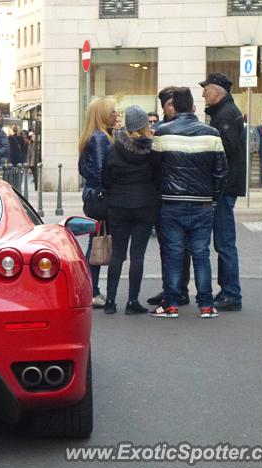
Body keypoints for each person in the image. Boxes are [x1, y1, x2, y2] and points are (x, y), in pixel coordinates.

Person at [150, 87, 228, 318]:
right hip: (202, 203)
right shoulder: (212, 133)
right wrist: (213, 199)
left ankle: (171, 304)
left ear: (175, 107)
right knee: (201, 254)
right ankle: (206, 305)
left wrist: (161, 193)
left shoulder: (163, 132)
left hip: (171, 203)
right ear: (193, 107)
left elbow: (154, 169)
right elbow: (222, 172)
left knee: (174, 254)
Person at [101, 106, 159, 315]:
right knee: (137, 255)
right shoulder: (151, 150)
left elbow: (105, 179)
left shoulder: (113, 149)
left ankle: (110, 301)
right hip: (145, 205)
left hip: (118, 205)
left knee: (117, 254)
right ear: (144, 126)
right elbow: (158, 177)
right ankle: (132, 301)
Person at [201, 72, 245, 311]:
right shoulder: (225, 112)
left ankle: (231, 293)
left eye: (206, 89)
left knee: (224, 242)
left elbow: (225, 149)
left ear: (217, 91)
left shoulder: (226, 114)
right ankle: (228, 290)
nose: (203, 94)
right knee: (223, 241)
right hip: (226, 185)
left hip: (224, 186)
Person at [147, 86, 192, 308]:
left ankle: (179, 290)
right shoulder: (159, 130)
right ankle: (170, 288)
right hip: (163, 195)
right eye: (169, 104)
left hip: (182, 196)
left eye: (175, 103)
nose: (173, 108)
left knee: (183, 247)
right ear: (163, 107)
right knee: (168, 247)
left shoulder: (188, 127)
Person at [78, 97, 118, 308]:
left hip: (93, 195)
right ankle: (92, 291)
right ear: (103, 114)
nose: (116, 115)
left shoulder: (92, 136)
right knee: (99, 244)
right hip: (102, 197)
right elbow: (104, 171)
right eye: (112, 111)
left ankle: (90, 289)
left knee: (97, 242)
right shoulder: (101, 138)